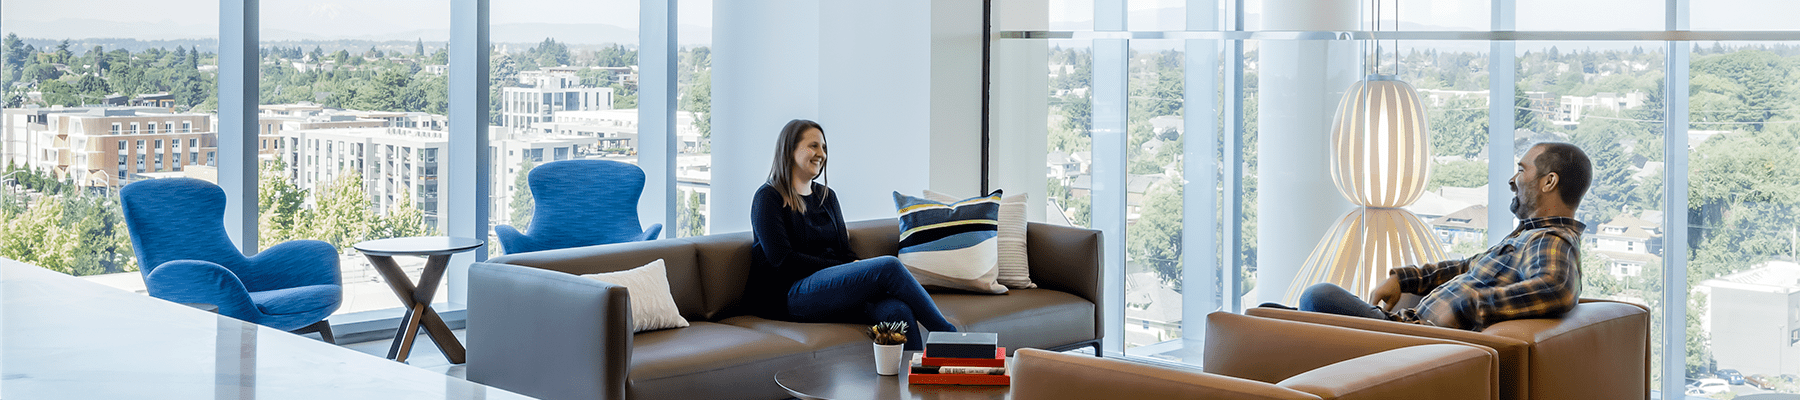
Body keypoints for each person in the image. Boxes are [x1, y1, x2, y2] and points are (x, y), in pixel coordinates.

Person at [1281, 142, 1592, 331]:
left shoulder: (1551, 239)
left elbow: (1558, 289)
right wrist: (1404, 280)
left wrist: (1467, 304)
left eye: (1522, 170)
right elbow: (1465, 266)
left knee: (1317, 295)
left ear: (1549, 181)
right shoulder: (1528, 236)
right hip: (1408, 329)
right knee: (1273, 313)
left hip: (1412, 339)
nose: (1513, 180)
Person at [743, 119, 957, 349]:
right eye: (813, 146)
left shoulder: (827, 197)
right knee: (888, 266)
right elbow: (782, 260)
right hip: (788, 294)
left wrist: (852, 269)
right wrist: (840, 269)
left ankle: (914, 380)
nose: (821, 154)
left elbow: (844, 251)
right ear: (790, 149)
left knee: (898, 311)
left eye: (824, 147)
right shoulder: (768, 197)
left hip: (827, 288)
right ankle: (952, 339)